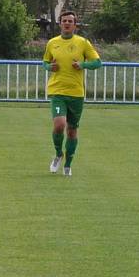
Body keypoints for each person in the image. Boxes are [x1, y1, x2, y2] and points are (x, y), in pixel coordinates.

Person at [42, 11, 102, 176]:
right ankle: (58, 154)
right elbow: (45, 62)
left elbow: (97, 62)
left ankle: (68, 164)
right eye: (64, 21)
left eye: (70, 21)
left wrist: (83, 65)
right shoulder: (52, 43)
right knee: (59, 125)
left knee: (72, 131)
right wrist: (49, 67)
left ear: (75, 25)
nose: (67, 23)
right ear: (60, 24)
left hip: (76, 94)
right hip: (57, 91)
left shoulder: (83, 43)